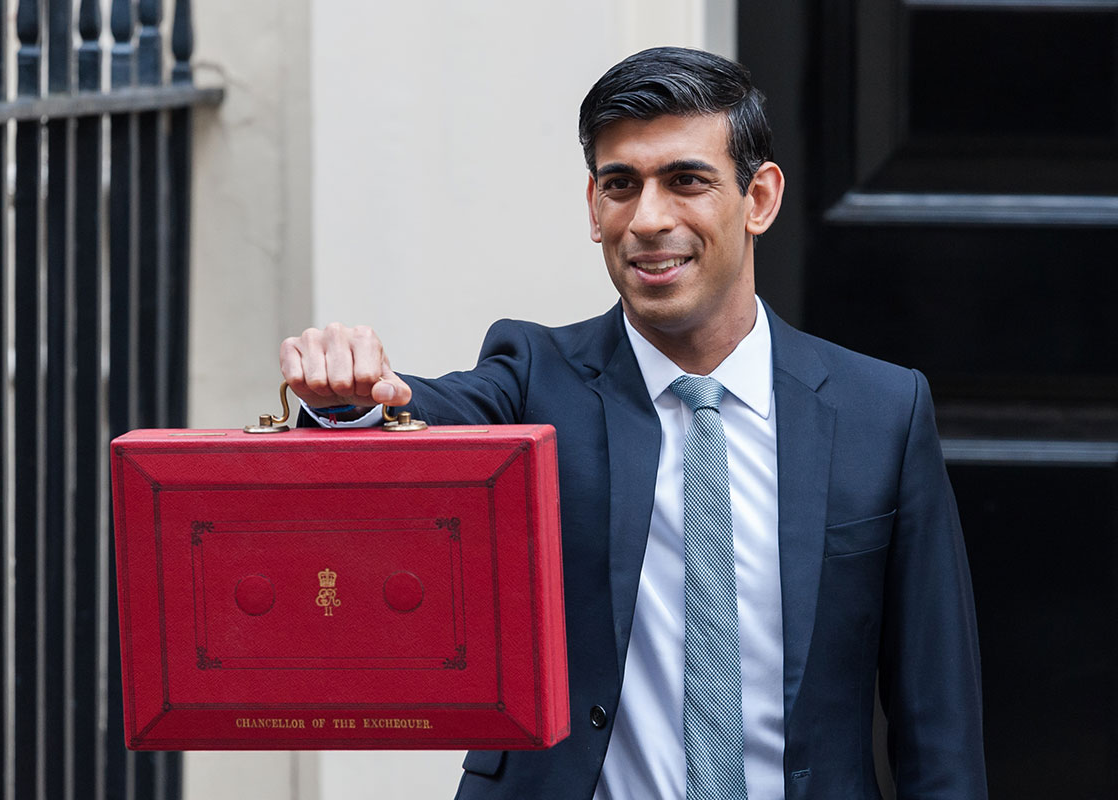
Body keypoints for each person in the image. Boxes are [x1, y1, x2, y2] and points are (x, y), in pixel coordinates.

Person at [280, 47, 986, 800]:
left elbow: (936, 718)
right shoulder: (533, 379)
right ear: (594, 207)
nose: (649, 220)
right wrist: (350, 399)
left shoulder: (881, 410)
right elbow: (416, 419)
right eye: (622, 185)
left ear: (760, 199)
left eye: (686, 181)